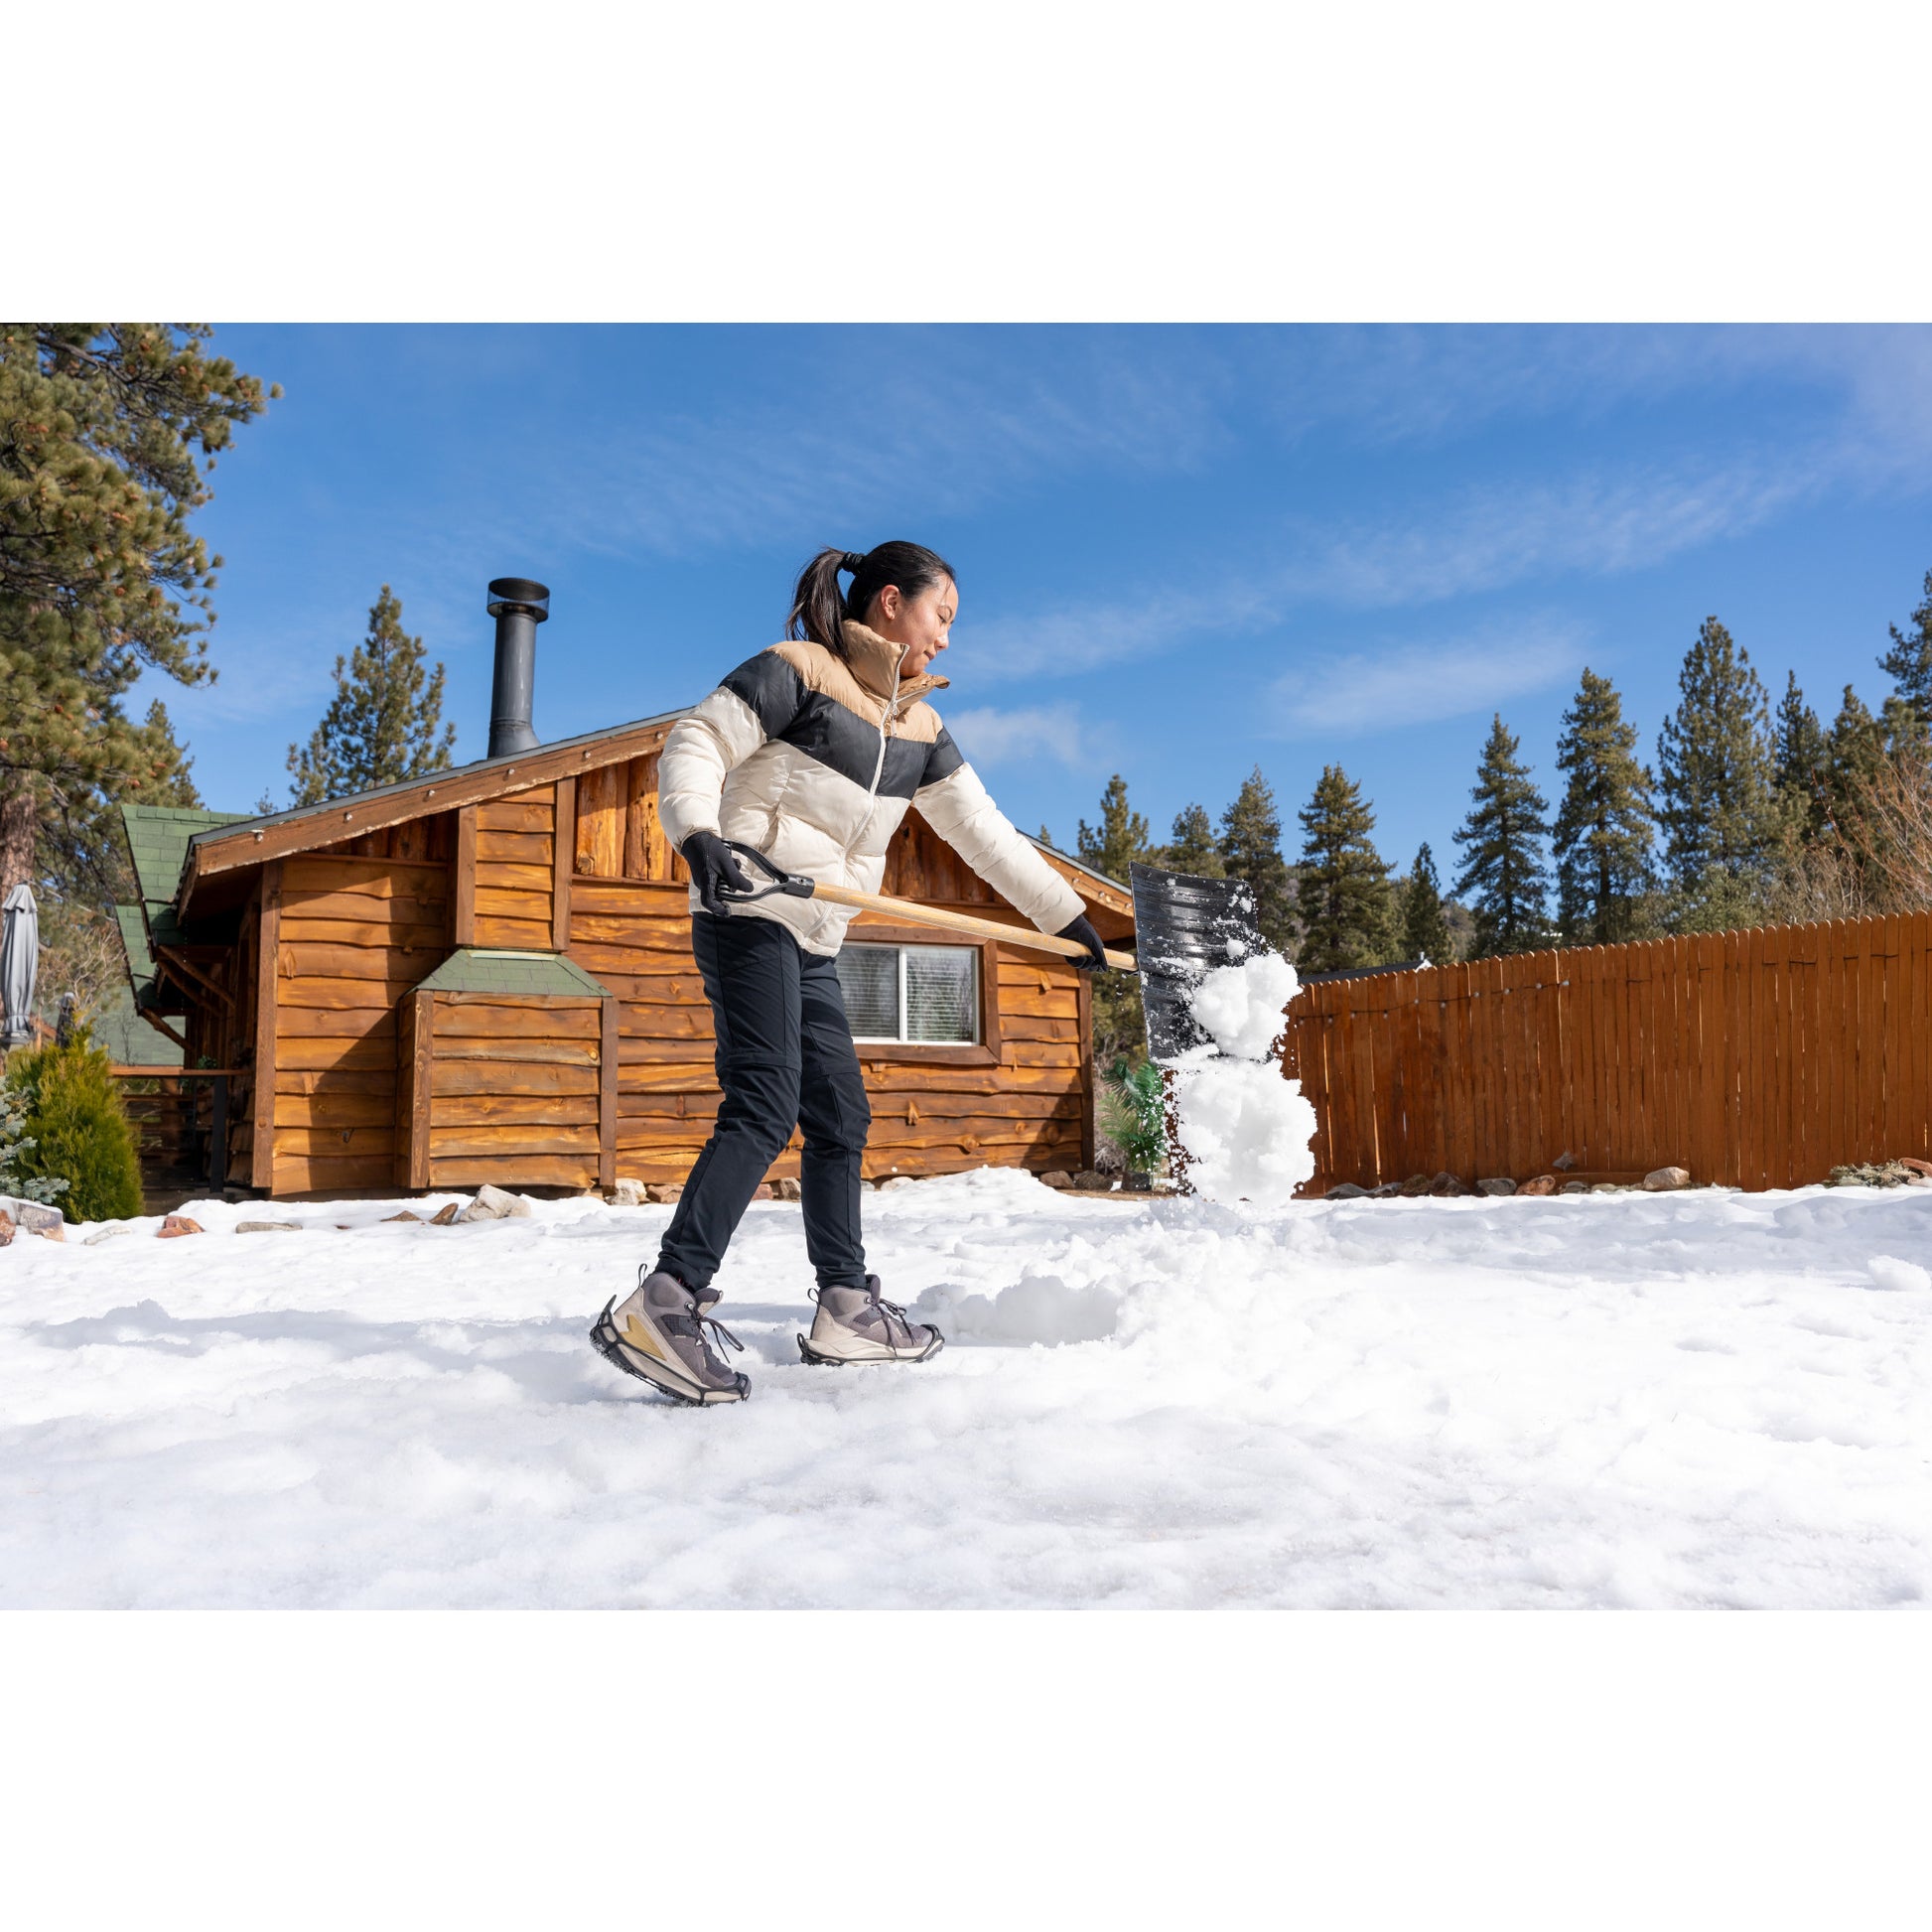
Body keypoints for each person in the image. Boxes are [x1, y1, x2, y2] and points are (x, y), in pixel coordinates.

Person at [590, 542, 1109, 1406]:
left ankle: (844, 1305)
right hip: (750, 908)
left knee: (839, 1115)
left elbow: (986, 836)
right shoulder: (799, 673)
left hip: (818, 937)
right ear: (895, 603)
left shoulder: (919, 730)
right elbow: (696, 741)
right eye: (943, 617)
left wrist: (1069, 920)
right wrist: (699, 834)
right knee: (766, 1098)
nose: (946, 640)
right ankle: (665, 1300)